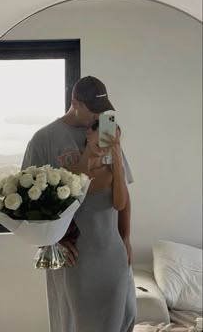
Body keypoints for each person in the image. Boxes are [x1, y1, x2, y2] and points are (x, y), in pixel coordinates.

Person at [21, 75, 137, 332]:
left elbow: (123, 196)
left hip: (109, 250)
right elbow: (28, 204)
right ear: (75, 102)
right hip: (71, 257)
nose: (98, 116)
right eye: (93, 110)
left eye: (102, 110)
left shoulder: (107, 136)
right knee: (70, 323)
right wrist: (52, 238)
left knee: (122, 318)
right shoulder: (44, 140)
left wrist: (126, 238)